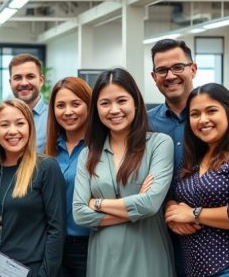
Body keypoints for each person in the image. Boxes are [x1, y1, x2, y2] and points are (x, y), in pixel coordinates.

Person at [73, 68, 175, 277]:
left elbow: (150, 204)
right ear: (96, 109)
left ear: (135, 102)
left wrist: (98, 204)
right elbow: (79, 215)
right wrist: (139, 207)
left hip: (148, 253)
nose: (114, 109)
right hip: (104, 256)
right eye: (105, 103)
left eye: (121, 100)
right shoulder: (88, 155)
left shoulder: (159, 144)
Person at [165, 83, 229, 277]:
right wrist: (172, 215)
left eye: (211, 111)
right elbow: (173, 195)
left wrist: (193, 214)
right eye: (195, 114)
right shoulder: (193, 159)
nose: (203, 120)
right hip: (197, 270)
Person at [0, 99, 66, 277]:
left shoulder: (46, 167)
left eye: (20, 123)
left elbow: (57, 229)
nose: (13, 131)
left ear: (30, 128)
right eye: (4, 125)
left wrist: (45, 274)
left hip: (32, 270)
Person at [147, 38, 197, 277]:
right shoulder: (144, 124)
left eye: (178, 67)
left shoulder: (213, 118)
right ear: (153, 76)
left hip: (211, 230)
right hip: (159, 232)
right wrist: (169, 207)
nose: (170, 76)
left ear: (193, 69)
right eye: (162, 70)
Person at [45, 77, 92, 277]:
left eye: (76, 104)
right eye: (60, 105)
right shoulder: (48, 152)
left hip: (90, 245)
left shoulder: (100, 149)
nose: (68, 112)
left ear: (89, 106)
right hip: (52, 245)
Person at [8, 53, 47, 152]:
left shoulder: (54, 117)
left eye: (30, 76)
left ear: (41, 80)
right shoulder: (3, 118)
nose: (24, 83)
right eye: (18, 78)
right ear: (10, 83)